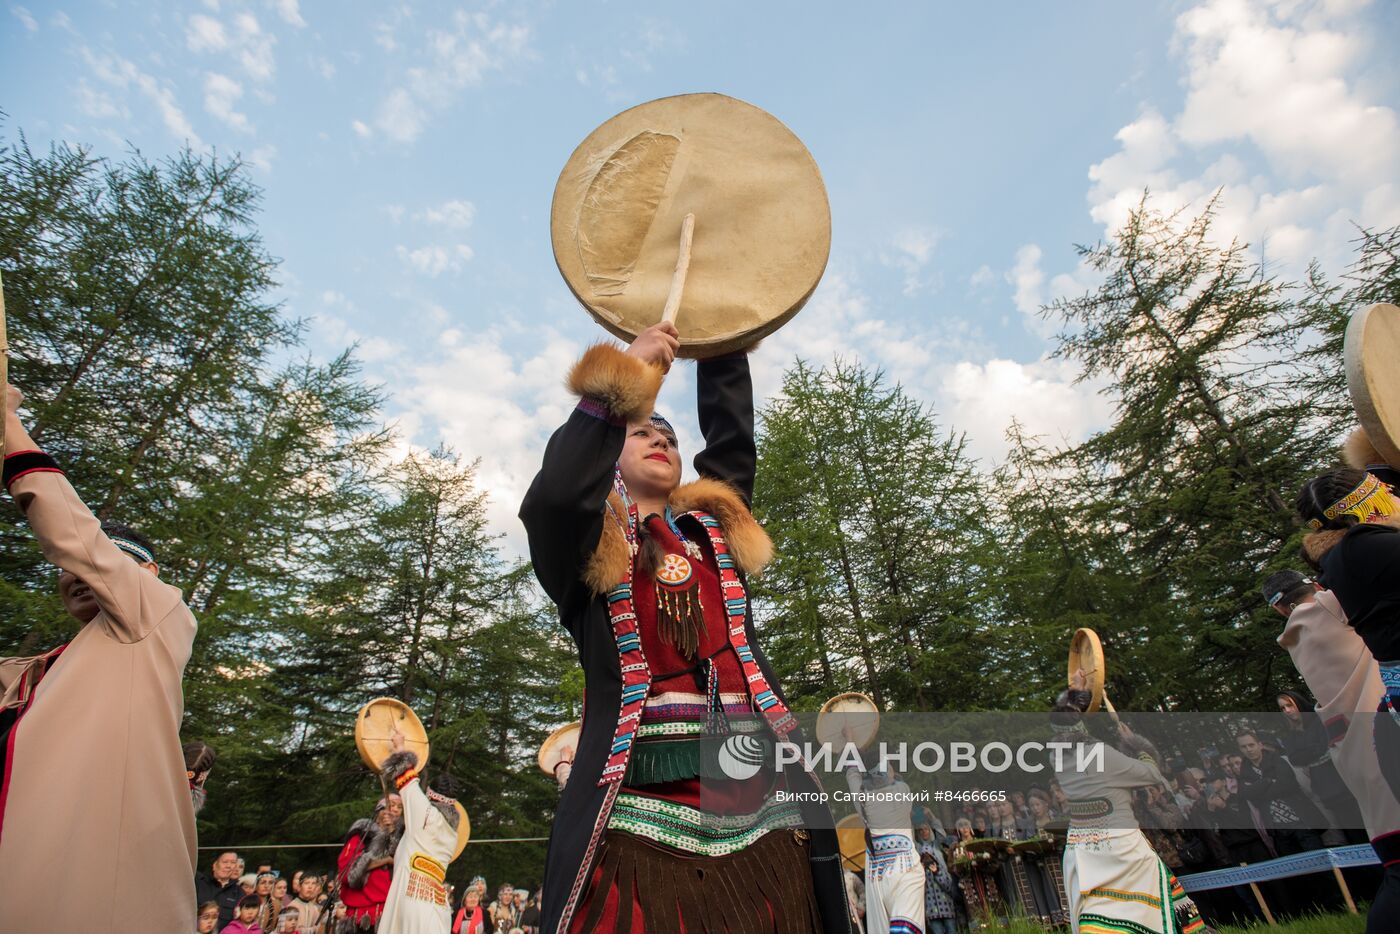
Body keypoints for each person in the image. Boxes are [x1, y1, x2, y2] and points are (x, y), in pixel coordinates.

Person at [519, 323, 849, 932]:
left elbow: (732, 442)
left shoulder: (712, 535)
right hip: (637, 814)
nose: (660, 439)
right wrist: (620, 386)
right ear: (607, 454)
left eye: (668, 434)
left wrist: (723, 329)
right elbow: (557, 498)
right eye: (641, 430)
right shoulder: (588, 551)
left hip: (761, 808)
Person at [0, 384, 200, 931]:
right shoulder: (29, 672)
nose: (78, 575)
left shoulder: (156, 617)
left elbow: (74, 538)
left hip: (85, 895)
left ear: (150, 578)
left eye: (113, 565)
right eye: (69, 572)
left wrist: (8, 426)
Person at [1267, 566, 1400, 933]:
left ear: (1280, 610)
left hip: (1353, 750)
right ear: (1312, 585)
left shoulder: (1295, 637)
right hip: (1382, 737)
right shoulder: (1328, 609)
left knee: (1394, 859)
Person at [1053, 670, 1210, 934]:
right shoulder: (1100, 754)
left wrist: (1074, 694)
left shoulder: (1057, 758)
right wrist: (1134, 743)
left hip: (1081, 845)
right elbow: (1152, 773)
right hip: (1119, 844)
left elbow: (1060, 721)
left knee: (1098, 902)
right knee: (1138, 904)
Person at [1297, 467, 1400, 797]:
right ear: (1370, 506)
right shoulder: (1367, 549)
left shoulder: (1342, 559)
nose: (1393, 493)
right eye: (1385, 490)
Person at [378, 727, 461, 933]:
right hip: (437, 902)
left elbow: (407, 780)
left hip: (411, 897)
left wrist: (399, 746)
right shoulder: (452, 834)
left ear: (430, 794)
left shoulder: (426, 816)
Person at [843, 758, 925, 934]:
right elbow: (890, 777)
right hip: (906, 869)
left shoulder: (865, 803)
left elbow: (852, 776)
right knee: (904, 926)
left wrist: (849, 743)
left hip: (878, 877)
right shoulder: (902, 791)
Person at [1233, 731, 1324, 855]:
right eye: (1244, 747)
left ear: (1259, 745)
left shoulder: (1277, 761)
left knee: (1320, 863)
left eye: (1251, 745)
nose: (1248, 749)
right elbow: (1249, 797)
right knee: (1298, 871)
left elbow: (1287, 786)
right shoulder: (1244, 773)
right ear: (1240, 749)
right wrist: (1268, 781)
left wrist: (1258, 790)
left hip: (1301, 821)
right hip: (1277, 829)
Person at [334, 793, 402, 932]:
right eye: (391, 805)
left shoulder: (404, 837)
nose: (395, 809)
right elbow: (347, 873)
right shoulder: (362, 832)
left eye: (399, 807)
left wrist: (391, 834)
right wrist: (385, 860)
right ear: (379, 809)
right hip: (359, 916)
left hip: (390, 912)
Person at [198, 852, 247, 930]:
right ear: (214, 865)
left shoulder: (240, 894)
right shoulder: (198, 883)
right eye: (225, 862)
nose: (228, 866)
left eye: (233, 863)